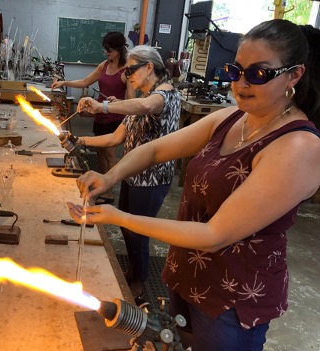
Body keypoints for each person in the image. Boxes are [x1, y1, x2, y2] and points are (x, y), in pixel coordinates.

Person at [68, 19, 320, 351]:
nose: (240, 84)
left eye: (258, 74)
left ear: (295, 75)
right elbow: (157, 148)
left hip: (231, 296)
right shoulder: (231, 118)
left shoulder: (299, 146)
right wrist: (110, 176)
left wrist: (119, 217)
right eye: (235, 71)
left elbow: (216, 235)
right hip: (186, 272)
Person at [75, 45, 180, 301]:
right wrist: (79, 140)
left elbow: (145, 106)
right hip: (132, 176)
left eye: (131, 70)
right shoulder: (140, 99)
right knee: (125, 227)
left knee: (138, 231)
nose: (127, 76)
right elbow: (114, 138)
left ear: (149, 67)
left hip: (152, 179)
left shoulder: (164, 95)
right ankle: (133, 270)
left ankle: (139, 282)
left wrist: (104, 108)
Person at [52, 31, 135, 204]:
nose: (106, 53)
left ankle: (109, 191)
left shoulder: (127, 71)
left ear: (120, 49)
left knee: (110, 154)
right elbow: (85, 82)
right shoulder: (104, 65)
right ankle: (101, 185)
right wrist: (64, 83)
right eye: (105, 49)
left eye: (110, 50)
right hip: (99, 116)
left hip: (115, 118)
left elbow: (132, 101)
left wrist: (117, 101)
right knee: (99, 153)